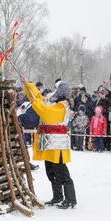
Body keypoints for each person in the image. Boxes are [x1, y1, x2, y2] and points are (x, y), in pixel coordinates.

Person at [24, 80, 77, 209]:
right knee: (51, 172)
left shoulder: (61, 106)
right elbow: (39, 98)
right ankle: (57, 196)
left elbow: (46, 113)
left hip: (57, 144)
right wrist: (28, 85)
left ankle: (70, 199)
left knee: (61, 171)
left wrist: (35, 103)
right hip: (49, 143)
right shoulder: (53, 102)